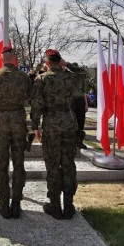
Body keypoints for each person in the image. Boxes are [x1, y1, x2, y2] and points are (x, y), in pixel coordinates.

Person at [0, 45, 33, 219]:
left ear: (1, 58)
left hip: (1, 121)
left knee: (2, 164)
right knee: (19, 163)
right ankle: (16, 204)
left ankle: (4, 204)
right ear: (13, 58)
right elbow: (30, 95)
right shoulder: (23, 77)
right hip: (18, 120)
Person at [31, 49, 77, 220]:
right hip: (68, 122)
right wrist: (67, 65)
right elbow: (82, 74)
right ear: (60, 61)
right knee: (68, 163)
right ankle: (69, 205)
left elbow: (36, 104)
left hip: (51, 124)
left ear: (48, 62)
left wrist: (35, 125)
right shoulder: (70, 77)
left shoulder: (42, 79)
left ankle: (55, 205)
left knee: (52, 164)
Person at [65, 62, 89, 150]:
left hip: (80, 100)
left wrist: (86, 104)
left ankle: (80, 141)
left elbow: (84, 92)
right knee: (72, 121)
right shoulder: (67, 77)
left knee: (81, 121)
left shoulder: (81, 78)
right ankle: (71, 142)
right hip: (71, 100)